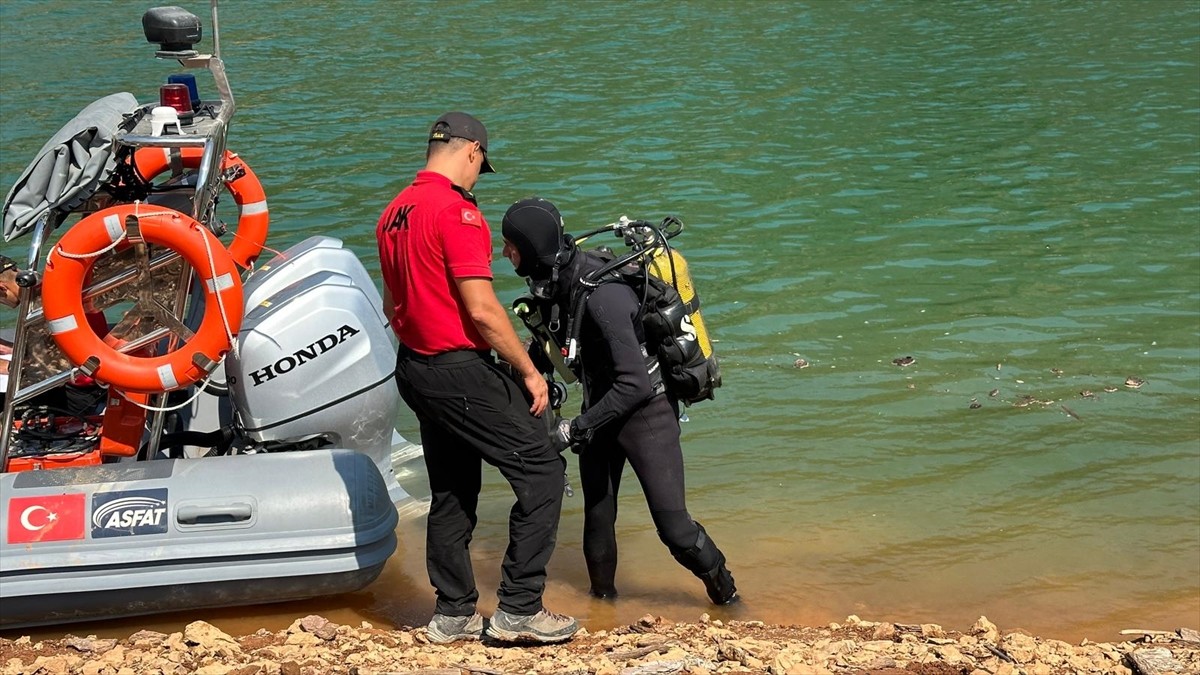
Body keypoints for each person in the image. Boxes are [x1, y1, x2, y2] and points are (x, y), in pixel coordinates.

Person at [375, 113, 578, 644]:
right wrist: (530, 372)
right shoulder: (457, 213)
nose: (476, 178)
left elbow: (390, 302)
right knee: (542, 469)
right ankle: (519, 609)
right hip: (456, 369)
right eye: (479, 168)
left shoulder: (393, 211)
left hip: (414, 368)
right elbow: (484, 311)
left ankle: (453, 613)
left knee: (452, 489)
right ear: (471, 153)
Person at [500, 197, 739, 606]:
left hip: (646, 416)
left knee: (674, 529)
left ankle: (729, 598)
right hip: (600, 410)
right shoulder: (555, 281)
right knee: (598, 516)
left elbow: (634, 385)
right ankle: (602, 605)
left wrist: (574, 427)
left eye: (510, 245)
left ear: (533, 245)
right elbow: (557, 344)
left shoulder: (602, 295)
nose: (504, 253)